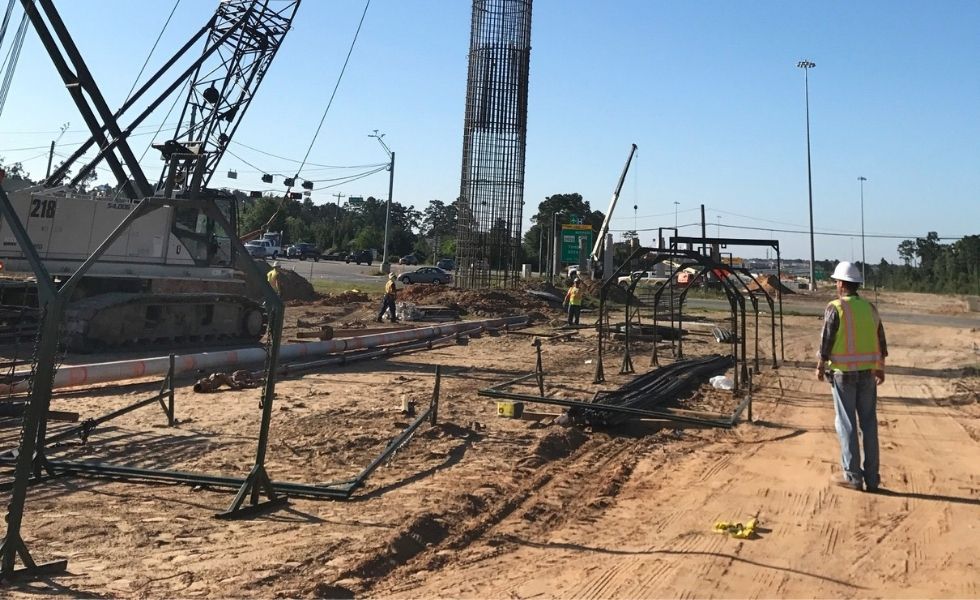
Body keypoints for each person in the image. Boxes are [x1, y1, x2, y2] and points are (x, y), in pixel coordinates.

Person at [816, 261, 888, 492]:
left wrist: (819, 365)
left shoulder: (835, 308)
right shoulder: (870, 308)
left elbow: (826, 342)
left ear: (840, 284)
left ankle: (853, 477)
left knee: (846, 424)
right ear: (856, 284)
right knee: (868, 424)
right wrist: (880, 367)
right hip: (868, 373)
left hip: (843, 375)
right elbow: (881, 342)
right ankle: (873, 479)